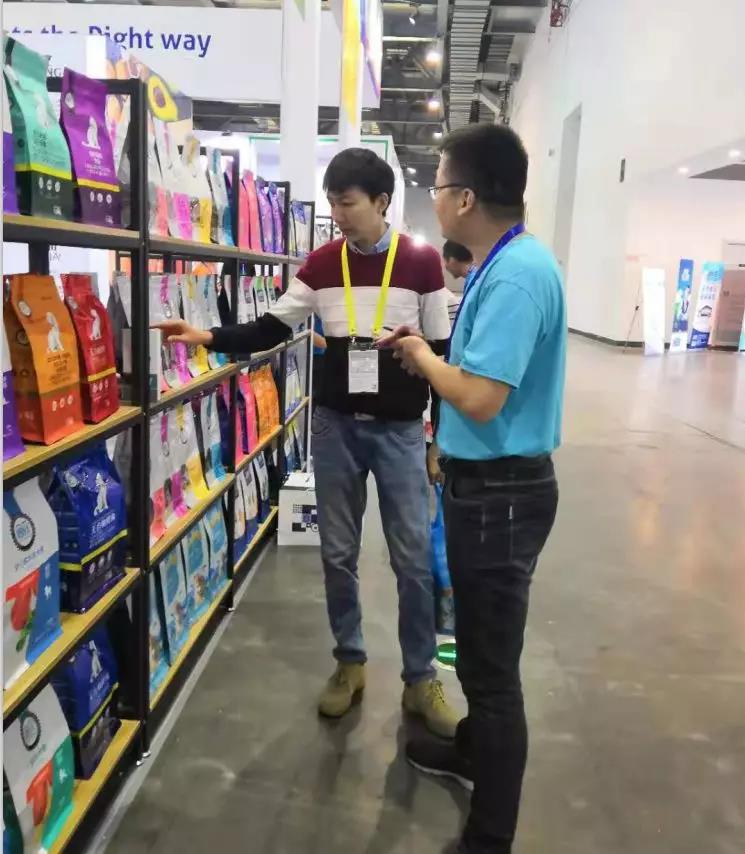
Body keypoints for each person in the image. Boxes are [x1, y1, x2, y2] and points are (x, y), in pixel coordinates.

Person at [155, 147, 459, 739]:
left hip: (400, 432)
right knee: (337, 553)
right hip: (336, 429)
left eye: (347, 204)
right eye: (332, 204)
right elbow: (271, 326)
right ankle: (350, 662)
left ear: (381, 202)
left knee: (412, 559)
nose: (337, 215)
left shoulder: (422, 263)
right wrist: (207, 335)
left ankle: (421, 678)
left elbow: (441, 355)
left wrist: (437, 441)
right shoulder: (321, 264)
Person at [379, 124, 566, 853]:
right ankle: (470, 754)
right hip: (485, 488)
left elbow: (483, 398)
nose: (433, 198)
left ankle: (490, 834)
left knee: (490, 672)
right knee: (481, 649)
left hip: (501, 496)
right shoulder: (502, 263)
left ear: (463, 198)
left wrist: (422, 356)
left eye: (436, 185)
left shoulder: (516, 275)